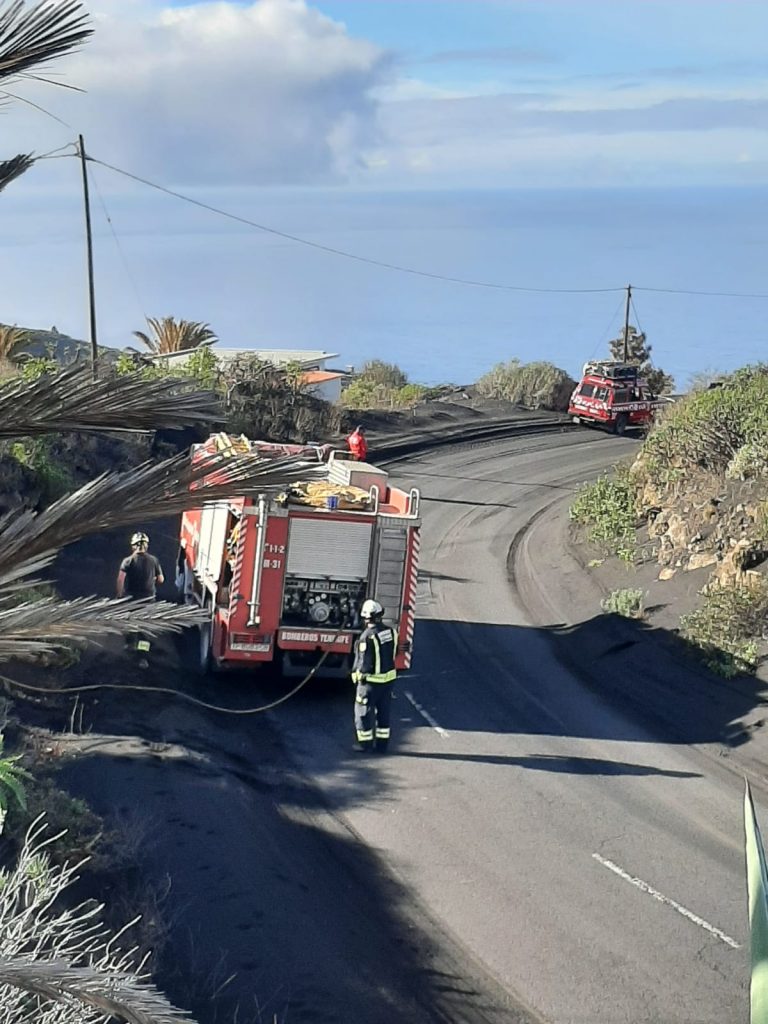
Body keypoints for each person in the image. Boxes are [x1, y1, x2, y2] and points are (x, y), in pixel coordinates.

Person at [351, 599, 398, 753]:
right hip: (388, 682)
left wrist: (357, 676)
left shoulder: (366, 637)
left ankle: (364, 744)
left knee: (362, 712)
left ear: (365, 618)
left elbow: (364, 662)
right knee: (383, 714)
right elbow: (394, 653)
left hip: (370, 683)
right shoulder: (391, 632)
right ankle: (382, 746)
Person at [116, 532, 164, 668]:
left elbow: (120, 579)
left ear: (133, 546)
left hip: (131, 600)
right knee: (145, 630)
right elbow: (161, 579)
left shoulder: (127, 561)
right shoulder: (154, 560)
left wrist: (119, 595)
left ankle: (130, 644)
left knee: (129, 623)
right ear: (146, 546)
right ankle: (143, 658)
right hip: (149, 601)